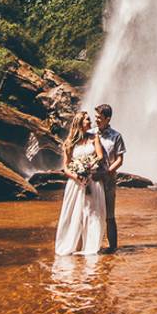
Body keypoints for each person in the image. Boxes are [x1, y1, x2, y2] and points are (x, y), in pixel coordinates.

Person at [54, 111, 105, 256]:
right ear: (80, 123)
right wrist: (77, 176)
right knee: (74, 213)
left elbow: (100, 156)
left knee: (92, 213)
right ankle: (73, 245)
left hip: (92, 181)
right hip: (75, 184)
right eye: (88, 120)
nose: (90, 122)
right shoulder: (69, 143)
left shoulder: (94, 138)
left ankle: (91, 246)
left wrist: (89, 168)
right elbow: (65, 166)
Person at [93, 103, 126, 253]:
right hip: (92, 180)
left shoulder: (116, 136)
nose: (96, 120)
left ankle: (112, 248)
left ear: (108, 118)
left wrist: (106, 172)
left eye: (99, 117)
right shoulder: (90, 133)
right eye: (95, 117)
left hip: (108, 181)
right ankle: (91, 245)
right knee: (90, 213)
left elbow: (120, 160)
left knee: (109, 215)